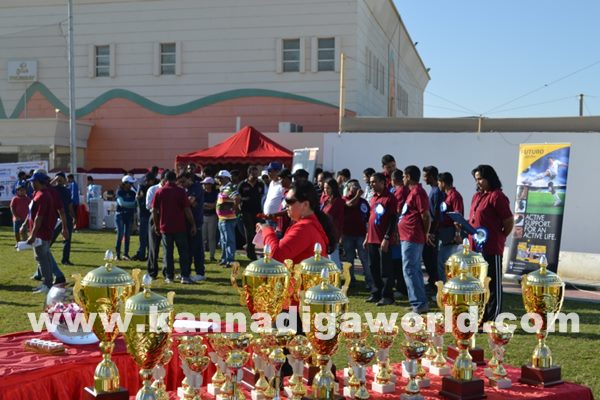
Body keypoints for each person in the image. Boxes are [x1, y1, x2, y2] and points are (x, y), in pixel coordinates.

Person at [469, 165, 514, 323]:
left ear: (490, 178)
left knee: (492, 284)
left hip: (491, 248)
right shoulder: (477, 197)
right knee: (478, 284)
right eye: (476, 179)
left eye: (481, 178)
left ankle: (493, 318)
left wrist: (500, 236)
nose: (478, 182)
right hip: (475, 248)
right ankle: (480, 316)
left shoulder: (497, 196)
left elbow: (508, 221)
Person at [256, 181, 334, 265]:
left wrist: (266, 229)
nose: (286, 205)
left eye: (289, 201)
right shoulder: (309, 224)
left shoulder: (304, 228)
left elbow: (276, 255)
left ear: (305, 204)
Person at [152, 170, 197, 284]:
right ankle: (185, 276)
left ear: (165, 180)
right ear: (175, 179)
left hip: (165, 227)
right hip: (179, 227)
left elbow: (154, 211)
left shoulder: (159, 192)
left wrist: (157, 226)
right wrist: (193, 224)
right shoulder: (181, 191)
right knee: (183, 252)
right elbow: (187, 210)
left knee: (168, 253)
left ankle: (169, 276)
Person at [25, 171, 64, 294]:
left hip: (42, 232)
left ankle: (47, 284)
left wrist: (33, 234)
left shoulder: (43, 195)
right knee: (44, 257)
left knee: (42, 258)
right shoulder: (39, 193)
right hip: (42, 232)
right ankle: (47, 283)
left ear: (38, 182)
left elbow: (39, 217)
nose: (31, 183)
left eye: (33, 181)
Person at [398, 165, 430, 314]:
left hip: (413, 236)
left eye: (404, 176)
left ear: (409, 177)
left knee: (410, 269)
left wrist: (425, 232)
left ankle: (419, 303)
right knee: (414, 270)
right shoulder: (413, 192)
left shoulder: (418, 192)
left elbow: (425, 216)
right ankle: (419, 302)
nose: (402, 179)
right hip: (409, 236)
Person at [364, 172, 397, 306]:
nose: (371, 184)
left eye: (374, 182)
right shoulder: (373, 198)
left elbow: (393, 219)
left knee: (385, 269)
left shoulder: (390, 198)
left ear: (383, 182)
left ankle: (387, 296)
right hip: (372, 238)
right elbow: (370, 218)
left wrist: (387, 238)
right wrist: (367, 236)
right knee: (373, 267)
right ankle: (376, 293)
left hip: (383, 240)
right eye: (371, 182)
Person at [341, 179, 372, 290]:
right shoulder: (344, 199)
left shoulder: (363, 202)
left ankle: (369, 281)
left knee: (364, 259)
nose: (357, 188)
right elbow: (349, 204)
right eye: (354, 186)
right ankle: (350, 281)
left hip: (361, 235)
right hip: (347, 235)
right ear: (349, 188)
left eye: (358, 186)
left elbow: (369, 217)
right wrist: (357, 196)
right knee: (349, 260)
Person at [436, 172, 464, 282]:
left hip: (452, 237)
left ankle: (451, 293)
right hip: (445, 237)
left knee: (451, 267)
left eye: (439, 183)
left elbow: (458, 217)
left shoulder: (455, 196)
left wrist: (457, 234)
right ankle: (444, 293)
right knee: (441, 265)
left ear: (443, 183)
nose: (438, 185)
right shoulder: (446, 196)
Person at [179, 171, 205, 281]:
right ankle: (187, 272)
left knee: (197, 249)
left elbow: (190, 201)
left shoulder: (197, 187)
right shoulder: (185, 190)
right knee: (187, 249)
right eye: (181, 182)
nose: (183, 184)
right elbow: (188, 203)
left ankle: (200, 272)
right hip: (186, 223)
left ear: (190, 178)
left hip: (196, 222)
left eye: (184, 181)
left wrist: (185, 202)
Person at [238, 166, 265, 260]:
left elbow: (262, 196)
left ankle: (254, 251)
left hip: (257, 212)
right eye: (253, 173)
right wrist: (243, 200)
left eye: (256, 173)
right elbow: (237, 197)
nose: (255, 175)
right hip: (246, 211)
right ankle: (251, 253)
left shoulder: (260, 184)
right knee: (249, 233)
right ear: (249, 173)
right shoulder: (242, 184)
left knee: (257, 232)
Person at [422, 165, 443, 290]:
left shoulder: (437, 192)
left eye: (425, 176)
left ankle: (434, 283)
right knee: (427, 257)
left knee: (430, 258)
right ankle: (432, 281)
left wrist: (431, 232)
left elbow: (436, 215)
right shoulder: (432, 190)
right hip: (430, 231)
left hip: (433, 232)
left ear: (431, 176)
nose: (424, 179)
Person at [390, 169, 409, 299]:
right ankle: (401, 286)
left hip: (398, 230)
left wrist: (395, 231)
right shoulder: (402, 191)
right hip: (400, 229)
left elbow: (398, 211)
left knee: (398, 260)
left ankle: (402, 288)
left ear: (393, 180)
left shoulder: (400, 191)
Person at [216, 170, 240, 268]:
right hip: (222, 218)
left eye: (221, 178)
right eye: (218, 178)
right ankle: (224, 258)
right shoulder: (223, 188)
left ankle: (230, 260)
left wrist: (234, 207)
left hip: (228, 219)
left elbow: (237, 198)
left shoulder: (230, 187)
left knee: (229, 240)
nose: (219, 180)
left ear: (227, 178)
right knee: (223, 240)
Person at [50, 172, 76, 265]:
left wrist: (73, 216)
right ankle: (44, 255)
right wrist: (55, 179)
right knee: (51, 238)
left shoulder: (67, 190)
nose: (60, 180)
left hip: (66, 217)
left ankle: (65, 259)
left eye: (62, 178)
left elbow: (70, 205)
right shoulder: (52, 189)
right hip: (56, 217)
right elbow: (46, 188)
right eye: (58, 178)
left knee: (67, 239)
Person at [146, 171, 167, 278]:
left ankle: (166, 271)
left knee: (167, 246)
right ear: (162, 179)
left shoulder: (170, 190)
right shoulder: (153, 189)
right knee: (153, 246)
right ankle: (152, 271)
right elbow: (148, 205)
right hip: (155, 217)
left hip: (166, 218)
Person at [132, 173, 157, 261]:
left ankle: (143, 254)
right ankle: (145, 254)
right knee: (146, 237)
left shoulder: (145, 187)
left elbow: (138, 200)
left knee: (145, 237)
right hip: (146, 214)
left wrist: (139, 197)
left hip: (146, 214)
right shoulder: (150, 188)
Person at [322, 178, 345, 269]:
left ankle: (336, 279)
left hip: (333, 233)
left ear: (333, 188)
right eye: (324, 188)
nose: (325, 190)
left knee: (333, 259)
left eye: (328, 188)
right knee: (326, 258)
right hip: (324, 232)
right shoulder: (326, 200)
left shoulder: (338, 201)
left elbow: (332, 216)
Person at [115, 175, 137, 260]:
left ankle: (126, 254)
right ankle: (117, 254)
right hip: (120, 214)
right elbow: (121, 203)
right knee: (120, 234)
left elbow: (135, 203)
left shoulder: (133, 193)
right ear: (125, 183)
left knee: (127, 235)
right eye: (130, 183)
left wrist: (132, 204)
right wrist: (132, 204)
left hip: (129, 215)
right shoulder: (119, 192)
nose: (131, 185)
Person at [201, 177, 218, 262]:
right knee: (203, 238)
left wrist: (207, 204)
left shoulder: (215, 193)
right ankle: (202, 256)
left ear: (210, 185)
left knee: (211, 237)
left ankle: (212, 256)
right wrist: (209, 205)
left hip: (212, 216)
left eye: (205, 184)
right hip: (203, 216)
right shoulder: (202, 193)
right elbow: (201, 204)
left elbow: (214, 205)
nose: (204, 185)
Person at [263, 162, 284, 228]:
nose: (268, 173)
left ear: (277, 171)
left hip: (276, 220)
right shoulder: (271, 183)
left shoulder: (283, 184)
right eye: (268, 171)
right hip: (267, 218)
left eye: (270, 171)